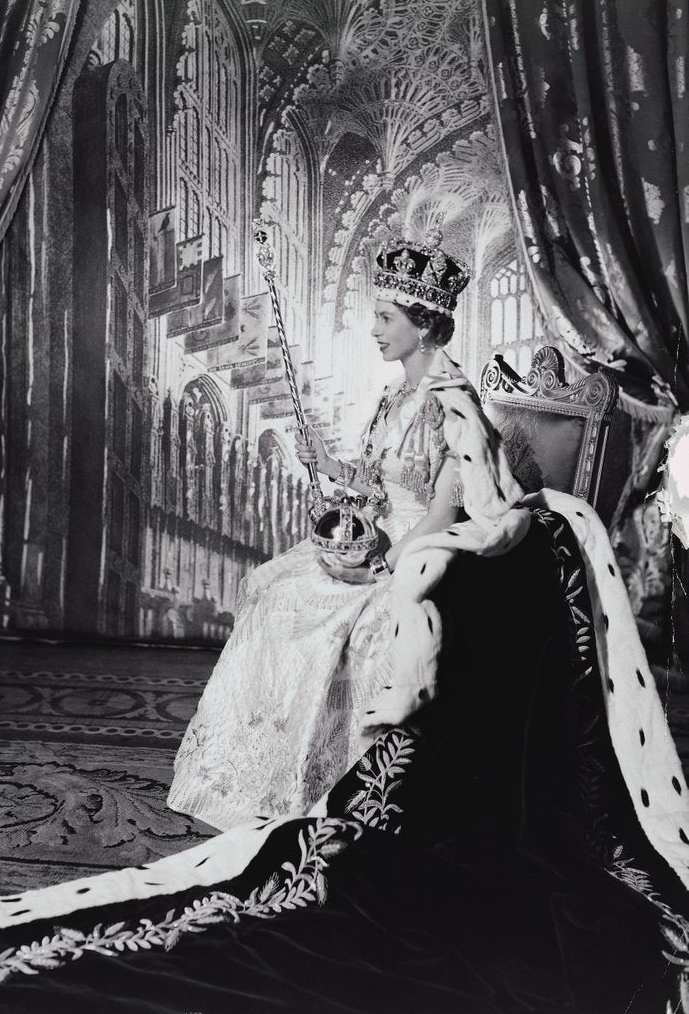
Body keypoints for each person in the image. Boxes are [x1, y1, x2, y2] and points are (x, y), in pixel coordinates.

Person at [167, 223, 526, 831]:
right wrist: (329, 465)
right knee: (271, 589)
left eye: (386, 318)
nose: (376, 330)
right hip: (379, 539)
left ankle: (337, 787)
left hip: (420, 553)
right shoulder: (394, 396)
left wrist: (377, 566)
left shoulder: (453, 403)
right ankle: (253, 777)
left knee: (336, 625)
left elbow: (442, 513)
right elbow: (372, 478)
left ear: (425, 323)